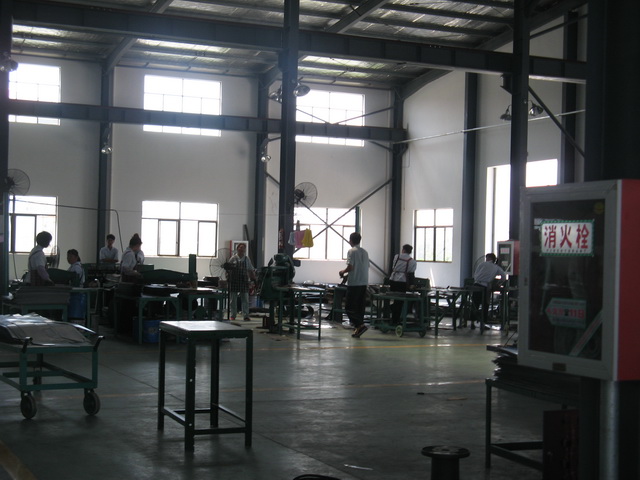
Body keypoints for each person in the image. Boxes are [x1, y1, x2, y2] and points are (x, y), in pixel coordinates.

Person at [339, 232, 370, 338]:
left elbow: (351, 267)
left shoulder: (351, 251)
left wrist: (343, 272)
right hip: (363, 282)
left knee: (349, 307)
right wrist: (348, 276)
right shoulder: (365, 252)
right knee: (360, 307)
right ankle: (358, 329)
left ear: (350, 240)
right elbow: (362, 267)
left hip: (354, 283)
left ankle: (360, 325)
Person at [471, 253, 506, 329]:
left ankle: (472, 323)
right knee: (485, 305)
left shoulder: (481, 264)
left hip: (476, 285)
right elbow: (503, 277)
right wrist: (498, 283)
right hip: (485, 287)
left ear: (488, 258)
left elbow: (475, 275)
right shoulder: (496, 267)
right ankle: (483, 323)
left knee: (475, 304)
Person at [389, 244, 417, 324]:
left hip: (393, 281)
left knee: (394, 299)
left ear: (403, 250)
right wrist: (412, 284)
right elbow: (411, 273)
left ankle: (393, 317)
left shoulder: (397, 257)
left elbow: (393, 267)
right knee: (399, 302)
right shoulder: (412, 261)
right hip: (402, 282)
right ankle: (396, 320)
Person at [227, 242, 256, 321]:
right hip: (234, 281)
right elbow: (228, 269)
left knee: (245, 299)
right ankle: (233, 315)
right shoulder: (233, 258)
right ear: (237, 249)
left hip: (244, 281)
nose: (242, 249)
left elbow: (250, 269)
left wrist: (253, 279)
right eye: (240, 247)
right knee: (233, 299)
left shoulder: (247, 259)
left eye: (243, 248)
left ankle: (246, 315)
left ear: (245, 250)